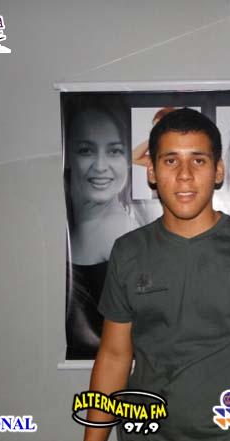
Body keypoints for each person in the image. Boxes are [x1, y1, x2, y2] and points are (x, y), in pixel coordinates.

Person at [83, 108, 230, 441]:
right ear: (151, 171)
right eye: (171, 161)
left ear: (218, 170)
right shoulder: (128, 251)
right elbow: (114, 357)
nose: (185, 175)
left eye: (198, 160)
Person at [64, 98, 146, 360]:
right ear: (67, 157)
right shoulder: (68, 226)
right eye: (86, 150)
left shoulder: (119, 231)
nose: (100, 166)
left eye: (114, 151)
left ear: (129, 159)